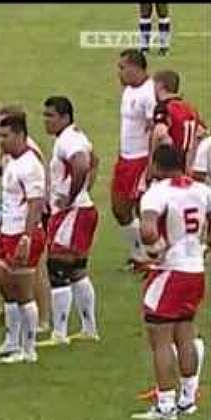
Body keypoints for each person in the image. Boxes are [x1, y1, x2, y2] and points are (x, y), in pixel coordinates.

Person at [131, 144, 209, 420]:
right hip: (195, 269)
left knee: (160, 338)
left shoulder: (157, 193)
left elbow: (148, 229)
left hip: (170, 270)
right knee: (186, 332)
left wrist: (156, 250)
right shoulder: (202, 191)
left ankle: (165, 404)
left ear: (156, 164)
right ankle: (188, 398)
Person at [0, 114, 46, 364]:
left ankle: (29, 350)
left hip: (22, 233)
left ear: (20, 135)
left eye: (6, 136)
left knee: (23, 292)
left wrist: (26, 237)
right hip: (8, 230)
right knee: (8, 287)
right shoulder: (13, 161)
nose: (1, 141)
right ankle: (11, 342)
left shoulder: (31, 165)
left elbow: (36, 203)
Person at [37, 96, 100, 347]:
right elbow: (94, 162)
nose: (46, 121)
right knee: (77, 271)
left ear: (65, 117)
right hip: (83, 209)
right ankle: (88, 328)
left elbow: (83, 165)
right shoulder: (75, 136)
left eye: (50, 116)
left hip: (72, 213)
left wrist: (70, 196)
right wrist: (85, 190)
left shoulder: (69, 140)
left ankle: (59, 334)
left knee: (58, 269)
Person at [113, 49, 157, 271]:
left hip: (139, 160)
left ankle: (150, 256)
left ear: (136, 67)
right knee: (119, 209)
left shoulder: (149, 94)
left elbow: (154, 131)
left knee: (140, 209)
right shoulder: (130, 89)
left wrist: (151, 165)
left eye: (122, 68)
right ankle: (142, 255)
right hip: (125, 157)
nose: (119, 72)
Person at [151, 70, 205, 169]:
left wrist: (151, 165)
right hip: (186, 167)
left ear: (160, 86)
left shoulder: (163, 108)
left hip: (168, 168)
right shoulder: (190, 108)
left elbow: (161, 134)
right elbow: (200, 133)